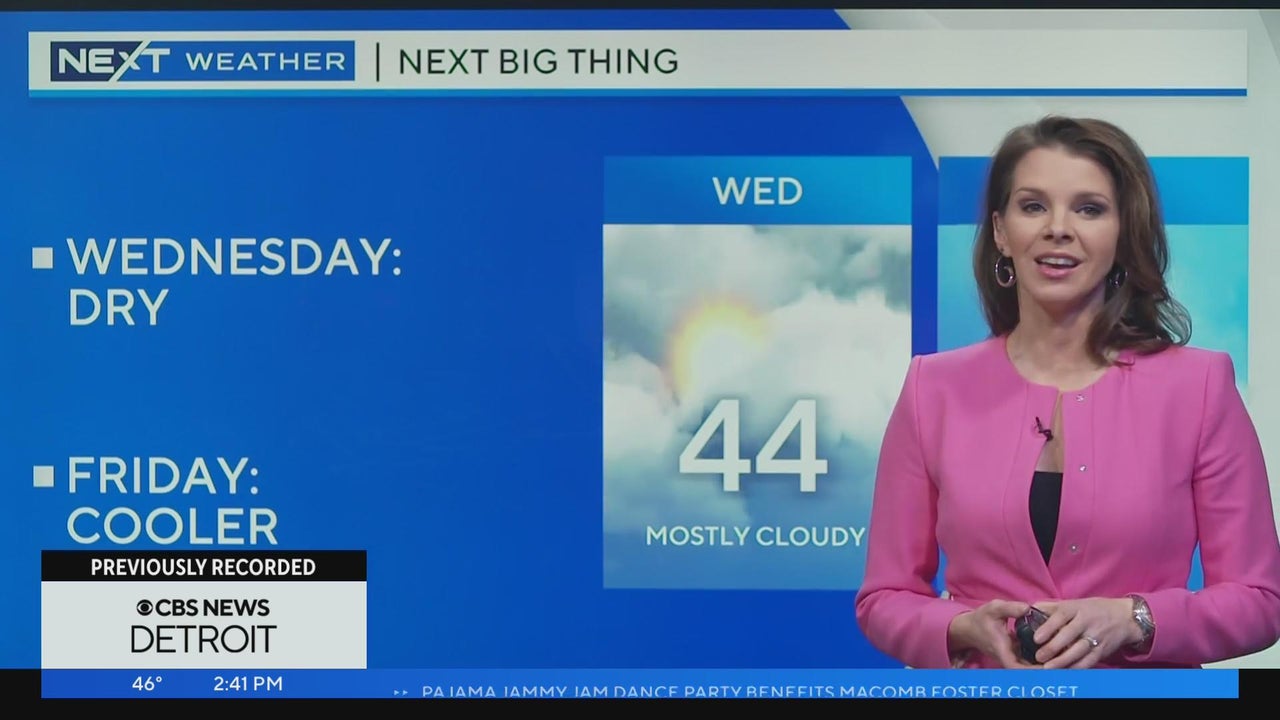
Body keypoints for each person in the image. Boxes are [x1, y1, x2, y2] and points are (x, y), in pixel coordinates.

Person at [854, 115, 1280, 669]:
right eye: (1033, 206)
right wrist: (959, 626)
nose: (1058, 228)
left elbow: (1259, 600)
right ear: (1001, 231)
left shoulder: (1198, 386)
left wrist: (1134, 618)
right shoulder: (932, 389)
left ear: (1123, 232)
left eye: (1089, 209)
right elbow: (884, 598)